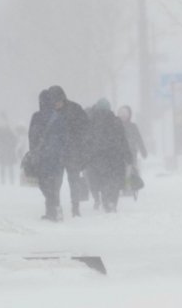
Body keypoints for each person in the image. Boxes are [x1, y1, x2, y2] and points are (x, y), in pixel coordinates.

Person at [45, 85, 89, 218]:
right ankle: (56, 206)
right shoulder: (50, 112)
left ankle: (75, 207)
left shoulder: (75, 109)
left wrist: (79, 143)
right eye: (53, 102)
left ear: (63, 98)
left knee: (73, 180)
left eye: (58, 101)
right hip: (56, 153)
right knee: (55, 182)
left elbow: (86, 128)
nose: (56, 104)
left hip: (72, 151)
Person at [86, 99, 132, 213]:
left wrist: (85, 155)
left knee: (102, 180)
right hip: (115, 157)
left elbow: (87, 140)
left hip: (98, 157)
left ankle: (106, 200)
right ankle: (112, 202)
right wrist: (128, 155)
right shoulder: (116, 121)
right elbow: (123, 140)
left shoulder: (91, 121)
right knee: (114, 180)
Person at [29, 90, 64, 221]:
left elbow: (31, 136)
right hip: (55, 156)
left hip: (42, 156)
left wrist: (33, 152)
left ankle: (52, 210)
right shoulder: (58, 117)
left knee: (44, 184)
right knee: (55, 183)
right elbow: (64, 137)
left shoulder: (36, 117)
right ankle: (53, 209)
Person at [117, 105, 147, 198]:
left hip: (131, 153)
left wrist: (143, 150)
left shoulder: (133, 126)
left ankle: (128, 186)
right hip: (119, 153)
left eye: (125, 114)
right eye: (121, 114)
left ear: (129, 115)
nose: (123, 116)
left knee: (129, 171)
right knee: (121, 171)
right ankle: (123, 187)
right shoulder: (116, 125)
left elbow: (139, 139)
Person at [0, 114, 18, 185]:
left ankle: (10, 181)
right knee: (4, 167)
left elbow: (14, 140)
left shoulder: (8, 130)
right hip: (5, 150)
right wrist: (0, 147)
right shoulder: (2, 130)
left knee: (8, 167)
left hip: (8, 150)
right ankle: (4, 181)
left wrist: (11, 146)